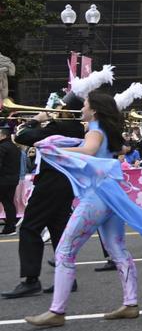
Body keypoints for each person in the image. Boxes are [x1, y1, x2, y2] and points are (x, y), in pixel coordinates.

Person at [24, 90, 142, 328]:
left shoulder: (95, 128)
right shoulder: (101, 128)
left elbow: (88, 152)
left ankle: (57, 311)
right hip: (110, 194)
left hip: (97, 196)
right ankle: (130, 303)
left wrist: (56, 150)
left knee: (65, 250)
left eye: (85, 105)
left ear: (94, 109)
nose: (82, 108)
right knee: (117, 248)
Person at [2, 70, 100, 300]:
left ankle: (30, 280)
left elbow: (23, 136)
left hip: (50, 183)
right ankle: (68, 278)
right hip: (63, 185)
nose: (56, 110)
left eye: (60, 107)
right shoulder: (74, 128)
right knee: (58, 230)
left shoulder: (59, 128)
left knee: (29, 227)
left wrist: (36, 119)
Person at [0, 125, 20, 235]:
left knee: (8, 203)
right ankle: (10, 228)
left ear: (3, 135)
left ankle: (10, 227)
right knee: (9, 203)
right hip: (13, 179)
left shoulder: (2, 147)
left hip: (3, 179)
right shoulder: (14, 147)